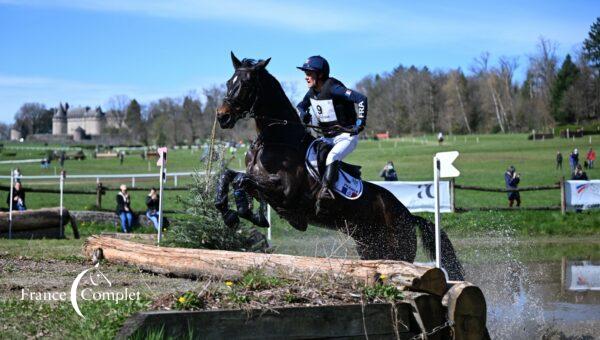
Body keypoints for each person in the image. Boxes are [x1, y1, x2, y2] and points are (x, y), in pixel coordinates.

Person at [296, 55, 368, 213]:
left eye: (309, 73)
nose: (306, 77)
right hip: (327, 137)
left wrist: (360, 122)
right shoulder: (312, 92)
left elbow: (361, 99)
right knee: (309, 156)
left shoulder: (333, 88)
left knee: (332, 157)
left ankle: (326, 192)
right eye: (305, 73)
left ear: (320, 74)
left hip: (346, 136)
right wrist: (303, 114)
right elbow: (301, 105)